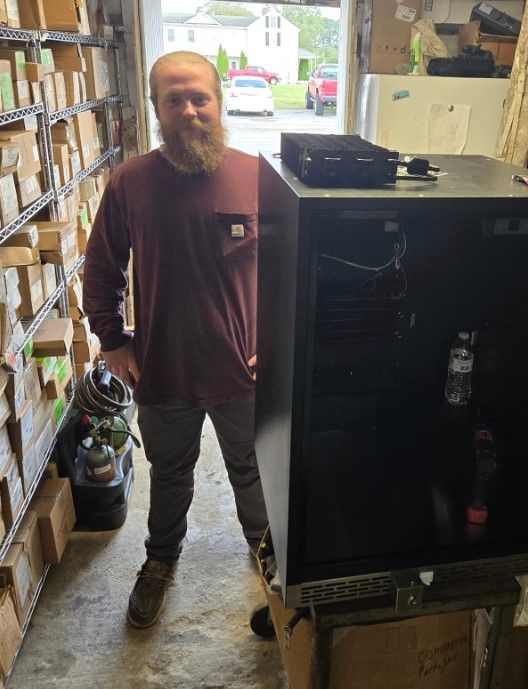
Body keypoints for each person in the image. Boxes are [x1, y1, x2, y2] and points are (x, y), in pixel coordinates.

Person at [83, 51, 268, 629]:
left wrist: (282, 341)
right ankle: (160, 561)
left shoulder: (257, 176)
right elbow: (102, 268)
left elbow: (293, 268)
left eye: (200, 99)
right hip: (163, 370)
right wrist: (113, 342)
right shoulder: (131, 183)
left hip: (245, 370)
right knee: (169, 476)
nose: (188, 111)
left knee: (255, 471)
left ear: (219, 102)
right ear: (157, 107)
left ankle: (269, 558)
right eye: (174, 100)